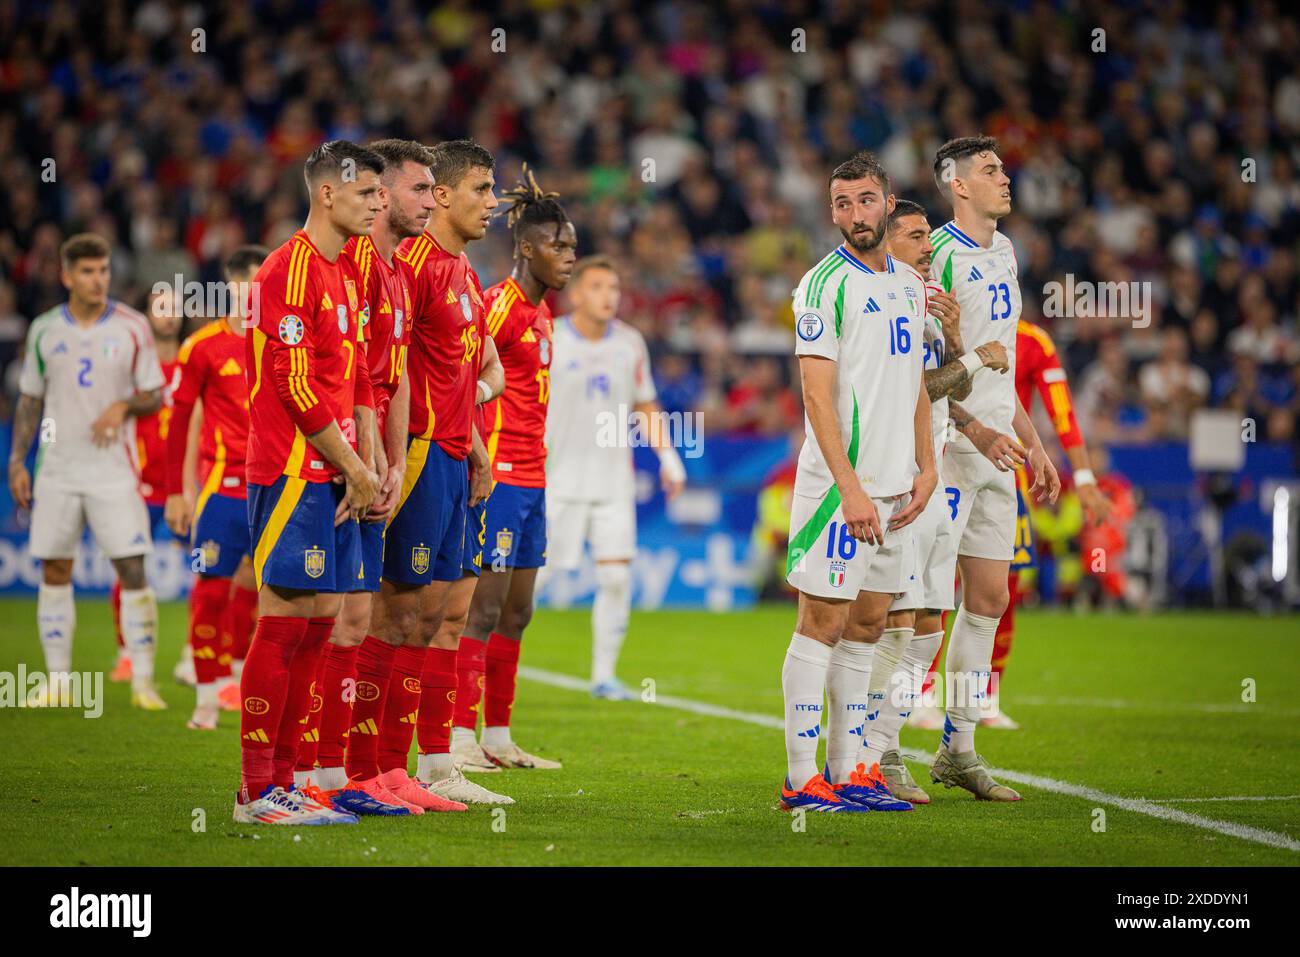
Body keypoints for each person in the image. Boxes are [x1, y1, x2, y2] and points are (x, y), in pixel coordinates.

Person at [291, 138, 465, 815]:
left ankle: (368, 768)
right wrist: (362, 463)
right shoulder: (353, 265)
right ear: (381, 193)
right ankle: (320, 770)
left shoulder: (391, 270)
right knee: (337, 619)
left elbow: (385, 385)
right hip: (327, 462)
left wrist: (388, 462)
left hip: (386, 460)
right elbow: (345, 379)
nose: (430, 200)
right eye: (418, 189)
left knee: (380, 615)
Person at [776, 151, 936, 813]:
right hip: (843, 490)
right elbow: (816, 399)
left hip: (899, 488)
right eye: (841, 203)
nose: (853, 215)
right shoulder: (821, 285)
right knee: (822, 621)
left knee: (869, 624)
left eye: (865, 200)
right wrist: (850, 489)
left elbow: (917, 384)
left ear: (887, 200)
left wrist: (926, 466)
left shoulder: (906, 283)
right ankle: (799, 776)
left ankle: (849, 771)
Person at [233, 140, 382, 825]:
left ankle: (287, 780)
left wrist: (365, 460)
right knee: (284, 618)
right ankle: (255, 791)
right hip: (294, 470)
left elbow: (350, 379)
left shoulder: (342, 273)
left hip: (337, 474)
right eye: (364, 195)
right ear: (327, 193)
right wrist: (352, 465)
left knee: (321, 623)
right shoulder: (287, 271)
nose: (376, 206)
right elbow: (293, 386)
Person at [358, 139, 509, 808]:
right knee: (397, 610)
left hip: (453, 456)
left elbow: (456, 373)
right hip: (416, 454)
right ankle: (368, 766)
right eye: (482, 188)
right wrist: (392, 456)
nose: (494, 201)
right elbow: (390, 374)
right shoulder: (413, 266)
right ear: (442, 195)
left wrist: (475, 444)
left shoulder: (464, 269)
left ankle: (424, 764)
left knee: (437, 615)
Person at [853, 199, 1019, 804]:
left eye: (928, 235)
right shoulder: (880, 300)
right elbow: (911, 391)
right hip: (904, 473)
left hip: (932, 465)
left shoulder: (922, 301)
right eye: (918, 237)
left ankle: (950, 748)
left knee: (937, 620)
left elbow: (948, 385)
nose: (930, 247)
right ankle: (879, 752)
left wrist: (953, 339)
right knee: (902, 622)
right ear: (888, 243)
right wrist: (973, 355)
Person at [923, 136, 1061, 800]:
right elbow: (923, 375)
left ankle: (960, 747)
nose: (1005, 178)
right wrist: (972, 427)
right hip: (948, 452)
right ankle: (879, 746)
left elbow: (1002, 364)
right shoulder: (938, 258)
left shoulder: (1005, 252)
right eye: (990, 170)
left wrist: (1032, 442)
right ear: (958, 186)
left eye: (1002, 167)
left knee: (988, 600)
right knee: (920, 607)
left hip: (1000, 454)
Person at [9, 233, 166, 710]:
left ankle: (142, 681)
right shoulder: (43, 330)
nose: (99, 280)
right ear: (66, 276)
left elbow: (155, 394)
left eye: (103, 270)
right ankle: (58, 680)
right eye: (88, 272)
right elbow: (31, 400)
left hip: (114, 470)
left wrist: (123, 404)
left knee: (131, 567)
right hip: (57, 468)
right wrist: (19, 459)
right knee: (55, 568)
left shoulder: (132, 326)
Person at [457, 166, 576, 770]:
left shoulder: (545, 315)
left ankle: (498, 736)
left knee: (518, 612)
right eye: (559, 246)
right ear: (526, 248)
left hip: (533, 478)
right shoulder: (498, 308)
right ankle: (457, 740)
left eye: (574, 247)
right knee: (480, 609)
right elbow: (463, 379)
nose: (570, 258)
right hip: (499, 478)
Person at [543, 256, 686, 700]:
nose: (610, 296)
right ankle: (490, 664)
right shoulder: (550, 338)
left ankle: (604, 676)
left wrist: (670, 457)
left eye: (615, 288)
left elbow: (646, 405)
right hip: (556, 482)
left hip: (612, 485)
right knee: (532, 582)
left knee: (615, 578)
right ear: (577, 294)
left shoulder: (629, 343)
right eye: (599, 286)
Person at [164, 245, 268, 730]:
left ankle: (245, 679)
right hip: (223, 492)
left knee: (276, 594)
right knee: (211, 587)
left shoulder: (284, 339)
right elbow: (180, 418)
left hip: (278, 486)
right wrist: (176, 491)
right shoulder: (203, 347)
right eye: (250, 281)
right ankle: (207, 694)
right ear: (230, 284)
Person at [108, 283, 182, 684]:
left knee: (210, 572)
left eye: (175, 307)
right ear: (148, 314)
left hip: (184, 490)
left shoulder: (192, 361)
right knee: (128, 571)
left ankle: (196, 654)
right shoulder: (134, 368)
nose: (169, 314)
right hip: (140, 488)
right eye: (161, 307)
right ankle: (126, 654)